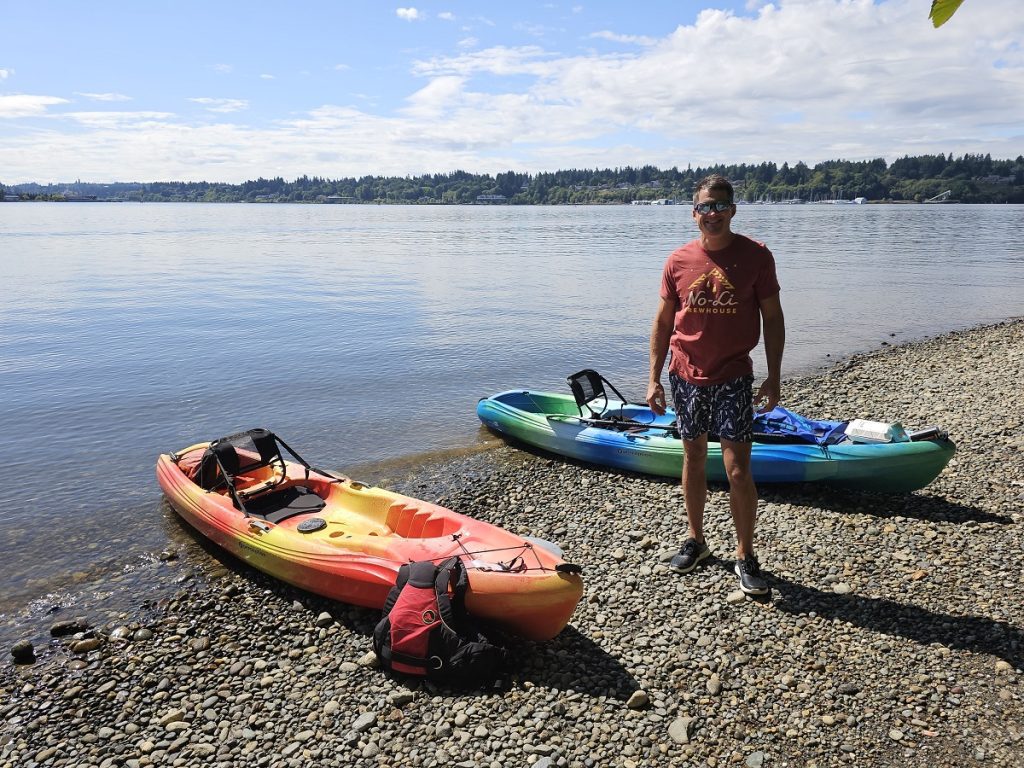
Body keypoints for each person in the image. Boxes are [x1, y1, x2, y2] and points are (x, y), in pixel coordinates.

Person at [646, 174, 785, 595]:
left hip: (734, 377)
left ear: (733, 210)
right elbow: (663, 322)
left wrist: (774, 376)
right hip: (685, 375)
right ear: (694, 214)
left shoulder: (756, 257)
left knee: (738, 471)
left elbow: (773, 318)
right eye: (705, 207)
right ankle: (697, 540)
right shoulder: (677, 261)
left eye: (719, 205)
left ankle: (745, 555)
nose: (712, 214)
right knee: (692, 459)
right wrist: (653, 378)